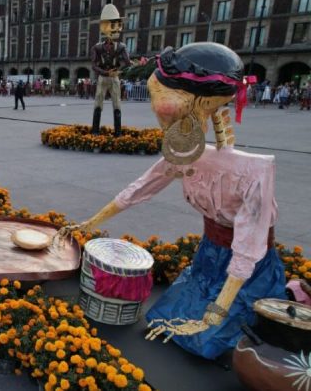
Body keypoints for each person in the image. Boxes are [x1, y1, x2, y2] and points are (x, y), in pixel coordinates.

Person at [62, 43, 285, 359]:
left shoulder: (254, 171)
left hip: (247, 272)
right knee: (162, 318)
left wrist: (214, 314)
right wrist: (89, 223)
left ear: (200, 102)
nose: (157, 110)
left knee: (206, 339)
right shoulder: (183, 155)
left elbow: (248, 247)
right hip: (208, 256)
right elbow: (139, 190)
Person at [91, 4, 131, 136]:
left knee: (117, 103)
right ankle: (95, 131)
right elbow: (93, 65)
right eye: (113, 24)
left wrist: (119, 69)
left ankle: (118, 133)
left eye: (118, 24)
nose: (117, 28)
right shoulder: (97, 47)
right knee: (98, 102)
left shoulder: (121, 46)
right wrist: (105, 72)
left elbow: (127, 62)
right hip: (103, 78)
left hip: (114, 78)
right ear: (104, 27)